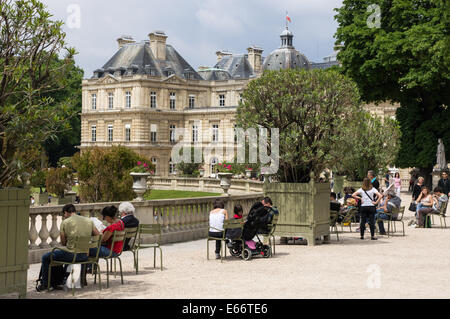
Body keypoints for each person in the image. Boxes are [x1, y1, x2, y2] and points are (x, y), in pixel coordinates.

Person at [36, 204, 99, 292]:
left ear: (65, 212)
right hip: (85, 255)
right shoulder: (88, 221)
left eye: (64, 214)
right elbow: (97, 234)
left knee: (46, 257)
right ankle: (60, 280)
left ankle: (45, 284)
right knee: (57, 254)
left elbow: (63, 243)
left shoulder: (65, 222)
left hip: (72, 255)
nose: (64, 216)